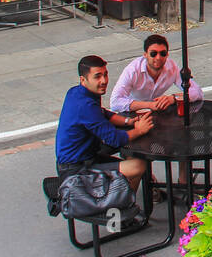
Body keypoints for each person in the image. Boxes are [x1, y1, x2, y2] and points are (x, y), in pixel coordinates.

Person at [56, 55, 154, 197]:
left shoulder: (76, 92)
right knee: (138, 166)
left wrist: (128, 122)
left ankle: (121, 193)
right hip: (75, 169)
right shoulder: (85, 105)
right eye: (97, 76)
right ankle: (119, 205)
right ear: (83, 80)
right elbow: (114, 139)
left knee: (131, 150)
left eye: (105, 75)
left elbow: (103, 113)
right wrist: (139, 130)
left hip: (87, 154)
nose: (104, 81)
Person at [110, 34, 203, 114]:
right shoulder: (132, 71)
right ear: (145, 54)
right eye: (153, 53)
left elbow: (197, 92)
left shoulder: (172, 67)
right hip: (133, 113)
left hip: (158, 112)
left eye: (163, 53)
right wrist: (149, 105)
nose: (158, 58)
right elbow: (115, 103)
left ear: (167, 55)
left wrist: (173, 98)